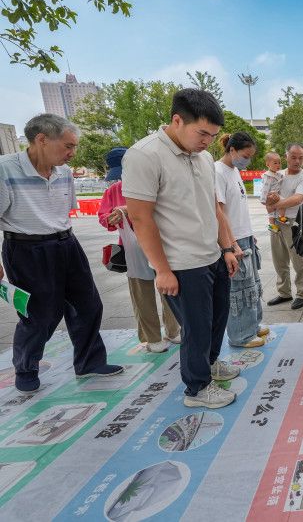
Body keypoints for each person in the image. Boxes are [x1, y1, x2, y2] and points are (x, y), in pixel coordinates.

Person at [123, 88, 241, 409]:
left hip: (212, 256)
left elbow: (213, 209)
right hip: (180, 264)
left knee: (217, 319)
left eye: (212, 135)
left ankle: (211, 364)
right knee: (196, 327)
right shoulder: (144, 156)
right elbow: (140, 218)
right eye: (202, 133)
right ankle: (197, 388)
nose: (207, 141)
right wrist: (162, 269)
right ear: (177, 120)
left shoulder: (203, 158)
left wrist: (227, 248)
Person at [0, 113, 123, 392]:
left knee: (88, 304)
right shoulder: (5, 169)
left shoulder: (64, 173)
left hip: (67, 243)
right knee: (38, 314)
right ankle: (26, 368)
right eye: (67, 146)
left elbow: (63, 211)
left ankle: (90, 362)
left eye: (74, 146)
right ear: (41, 139)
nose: (72, 153)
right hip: (26, 248)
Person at [98, 147, 180, 353]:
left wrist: (128, 210)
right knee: (141, 293)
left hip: (160, 243)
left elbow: (167, 209)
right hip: (133, 247)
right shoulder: (113, 191)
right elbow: (103, 216)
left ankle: (174, 329)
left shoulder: (155, 183)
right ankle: (152, 337)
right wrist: (111, 217)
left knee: (170, 287)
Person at [215, 131, 269, 347]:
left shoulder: (234, 171)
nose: (248, 160)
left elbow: (237, 208)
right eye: (245, 155)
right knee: (238, 290)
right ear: (232, 150)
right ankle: (240, 335)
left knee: (252, 286)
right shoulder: (218, 171)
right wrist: (231, 245)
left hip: (244, 236)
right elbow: (219, 212)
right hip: (232, 240)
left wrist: (248, 234)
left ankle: (252, 326)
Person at [263, 143, 303, 310]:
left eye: (301, 157)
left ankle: (302, 294)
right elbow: (267, 194)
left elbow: (298, 198)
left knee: (298, 261)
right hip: (276, 222)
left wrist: (273, 205)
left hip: (294, 224)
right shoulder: (278, 174)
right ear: (286, 157)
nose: (297, 161)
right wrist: (271, 205)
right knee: (279, 260)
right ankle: (284, 292)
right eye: (293, 157)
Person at [260, 152, 284, 233]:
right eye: (275, 163)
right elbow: (265, 189)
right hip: (270, 196)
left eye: (279, 163)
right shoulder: (268, 176)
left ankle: (281, 217)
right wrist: (264, 200)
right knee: (271, 213)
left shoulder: (278, 174)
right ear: (268, 165)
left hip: (276, 195)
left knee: (280, 206)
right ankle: (272, 225)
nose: (278, 165)